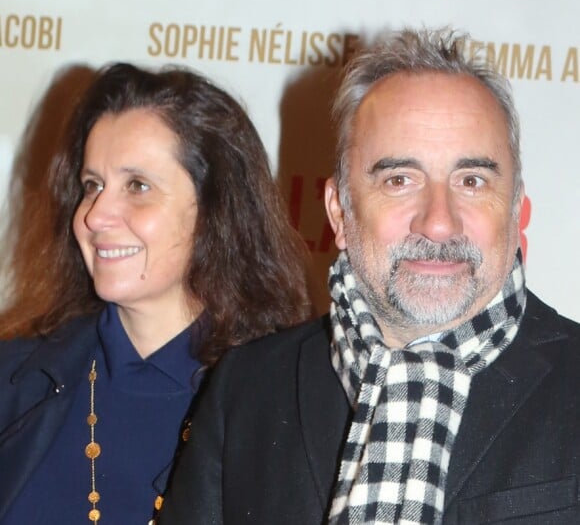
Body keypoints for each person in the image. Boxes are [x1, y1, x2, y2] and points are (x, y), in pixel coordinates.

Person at [160, 28, 580, 525]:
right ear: (339, 212)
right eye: (399, 180)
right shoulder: (246, 390)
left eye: (472, 181)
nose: (438, 221)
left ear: (514, 209)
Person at [0, 63, 310, 525]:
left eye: (138, 186)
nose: (95, 215)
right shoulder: (15, 378)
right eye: (92, 186)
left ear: (215, 211)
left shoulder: (285, 405)